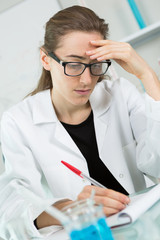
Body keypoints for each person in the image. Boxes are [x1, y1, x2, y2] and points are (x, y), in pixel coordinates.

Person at [0, 5, 160, 239]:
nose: (87, 80)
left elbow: (157, 165)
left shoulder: (120, 94)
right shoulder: (18, 121)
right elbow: (10, 215)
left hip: (141, 227)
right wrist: (70, 208)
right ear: (46, 59)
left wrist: (147, 76)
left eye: (95, 65)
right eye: (73, 64)